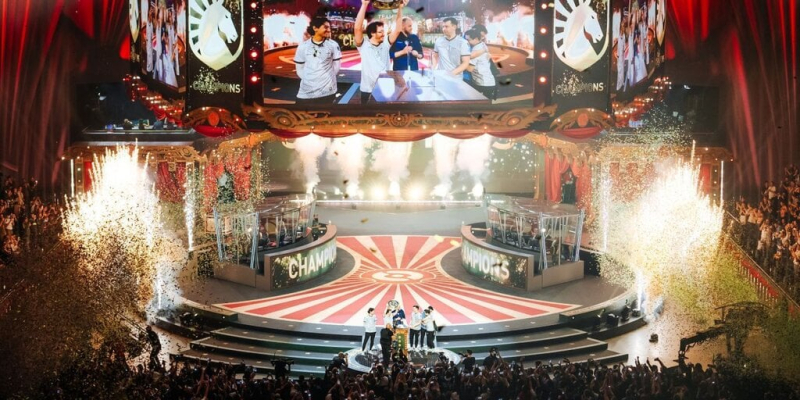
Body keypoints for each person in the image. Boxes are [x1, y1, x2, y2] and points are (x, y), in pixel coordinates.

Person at [353, 0, 407, 103]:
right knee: (367, 113)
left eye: (383, 31)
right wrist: (364, 4)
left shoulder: (386, 43)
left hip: (384, 88)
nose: (384, 34)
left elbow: (398, 29)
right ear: (372, 33)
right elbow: (357, 29)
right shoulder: (364, 45)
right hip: (367, 90)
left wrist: (400, 8)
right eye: (380, 32)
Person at [294, 17, 342, 103]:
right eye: (325, 27)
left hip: (328, 92)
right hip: (306, 92)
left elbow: (336, 67)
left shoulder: (333, 45)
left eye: (329, 27)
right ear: (315, 28)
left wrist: (326, 79)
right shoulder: (303, 47)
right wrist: (311, 80)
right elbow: (299, 69)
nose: (329, 30)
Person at [464, 29, 496, 100]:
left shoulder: (476, 50)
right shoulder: (482, 45)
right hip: (486, 81)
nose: (467, 42)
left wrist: (461, 63)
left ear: (476, 39)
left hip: (483, 83)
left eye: (468, 40)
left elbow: (470, 68)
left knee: (481, 104)